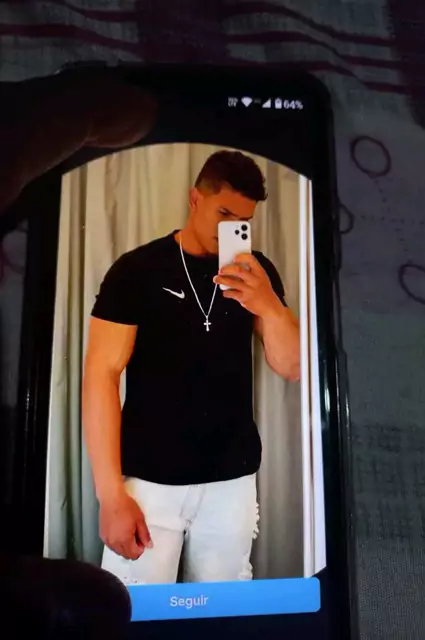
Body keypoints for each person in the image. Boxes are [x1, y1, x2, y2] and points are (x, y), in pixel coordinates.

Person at [82, 150, 301, 585]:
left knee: (224, 611)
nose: (230, 228)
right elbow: (100, 377)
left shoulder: (256, 273)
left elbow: (292, 366)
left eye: (242, 220)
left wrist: (269, 306)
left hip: (231, 479)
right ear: (195, 199)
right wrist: (110, 495)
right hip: (150, 480)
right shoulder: (137, 270)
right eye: (223, 213)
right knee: (135, 607)